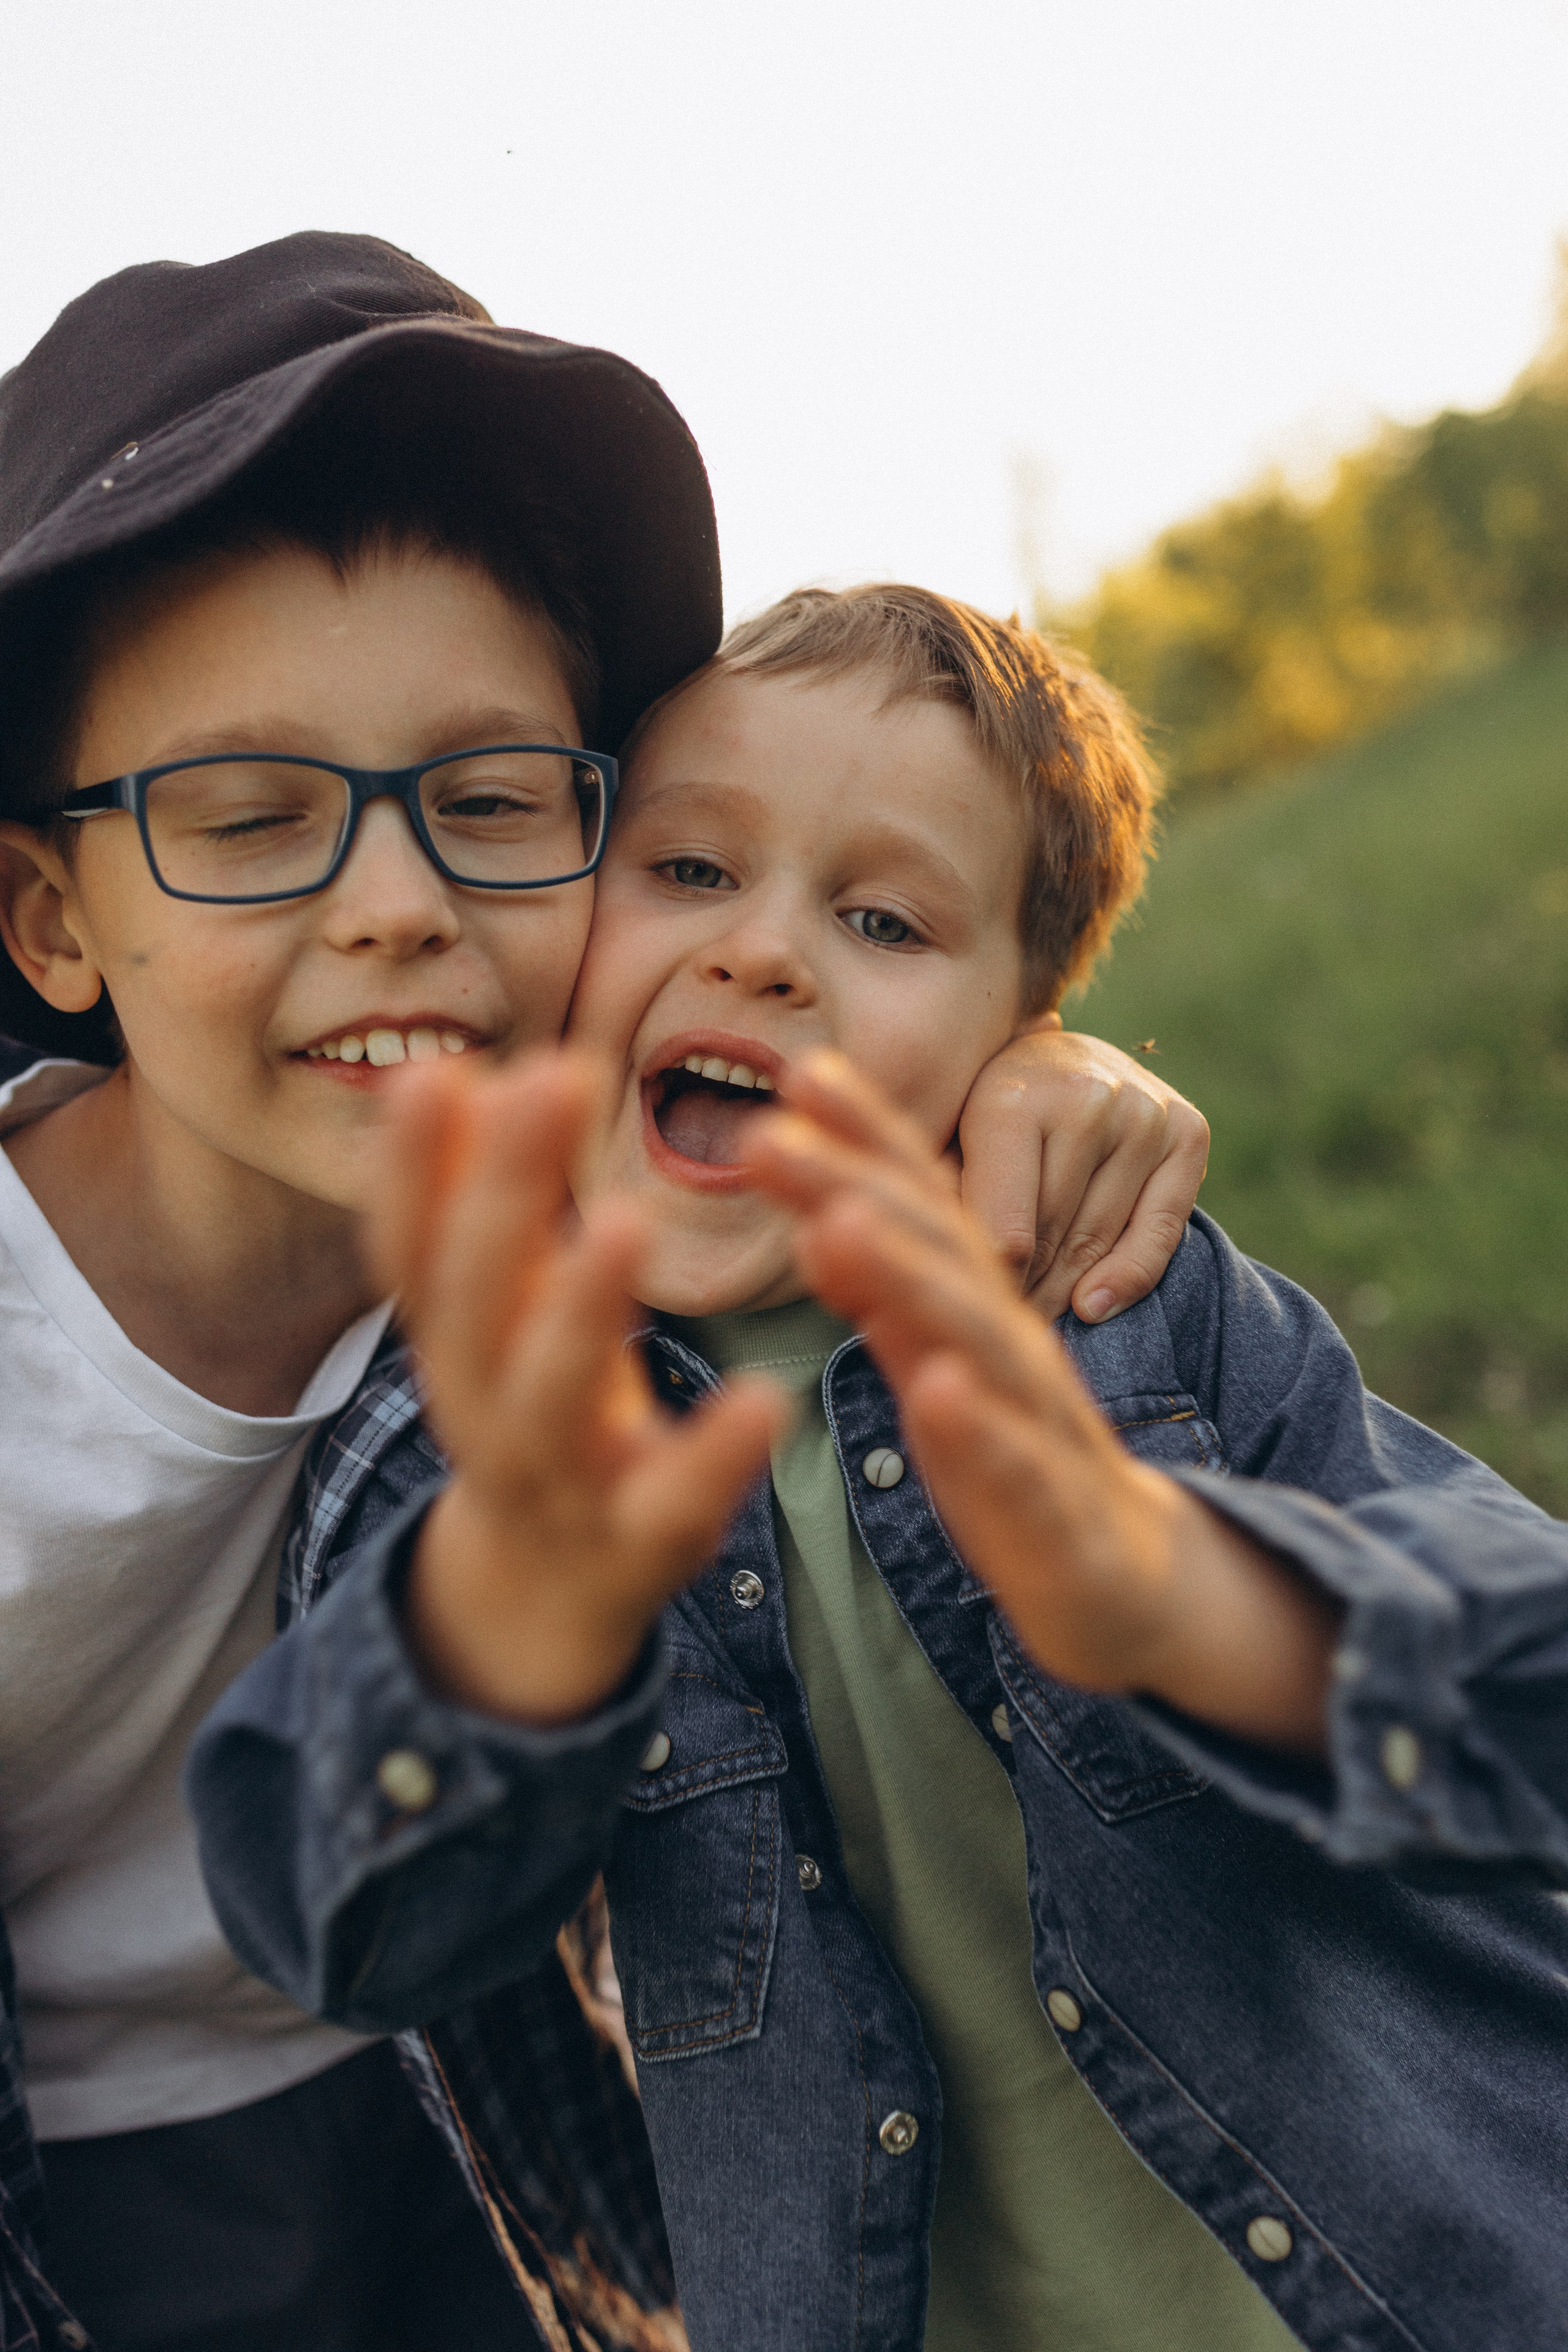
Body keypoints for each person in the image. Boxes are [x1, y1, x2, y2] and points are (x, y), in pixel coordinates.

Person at [0, 236, 1212, 2350]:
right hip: (87, 2180)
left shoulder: (624, 1202)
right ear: (51, 920)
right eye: (251, 819)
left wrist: (1047, 1065)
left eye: (487, 805)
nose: (396, 909)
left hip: (510, 2090)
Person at [195, 583, 1568, 2352]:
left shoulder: (1122, 1312)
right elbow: (341, 1931)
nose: (766, 953)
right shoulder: (498, 1439)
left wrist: (1190, 1604)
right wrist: (499, 1641)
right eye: (689, 873)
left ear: (1020, 1026)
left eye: (885, 920)